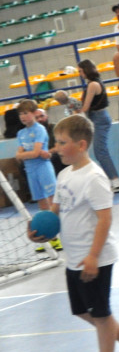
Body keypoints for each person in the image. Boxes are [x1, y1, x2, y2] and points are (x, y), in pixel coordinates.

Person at [27, 114, 119, 352]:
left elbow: (105, 219)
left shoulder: (94, 178)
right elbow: (55, 212)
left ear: (81, 145)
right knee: (82, 310)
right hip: (74, 256)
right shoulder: (64, 174)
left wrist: (93, 256)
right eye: (56, 142)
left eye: (61, 142)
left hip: (97, 257)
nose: (56, 147)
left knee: (101, 313)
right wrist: (39, 230)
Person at [15, 99, 60, 251]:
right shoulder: (21, 133)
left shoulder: (39, 129)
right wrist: (30, 154)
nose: (23, 116)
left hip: (43, 168)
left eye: (26, 113)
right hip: (31, 171)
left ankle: (58, 234)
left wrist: (26, 154)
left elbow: (33, 153)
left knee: (54, 202)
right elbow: (19, 155)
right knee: (42, 204)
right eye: (20, 113)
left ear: (34, 113)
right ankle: (47, 236)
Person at [77, 59, 119, 193]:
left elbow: (85, 107)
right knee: (99, 152)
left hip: (99, 118)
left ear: (86, 70)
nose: (80, 74)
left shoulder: (92, 85)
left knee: (100, 152)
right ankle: (113, 181)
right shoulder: (94, 83)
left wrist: (77, 112)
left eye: (80, 71)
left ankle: (116, 182)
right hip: (98, 117)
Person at [35, 108, 67, 177]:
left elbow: (59, 147)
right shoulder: (33, 133)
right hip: (40, 156)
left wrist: (47, 152)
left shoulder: (55, 128)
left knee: (55, 158)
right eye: (36, 118)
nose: (39, 119)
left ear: (47, 116)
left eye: (42, 116)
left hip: (54, 155)